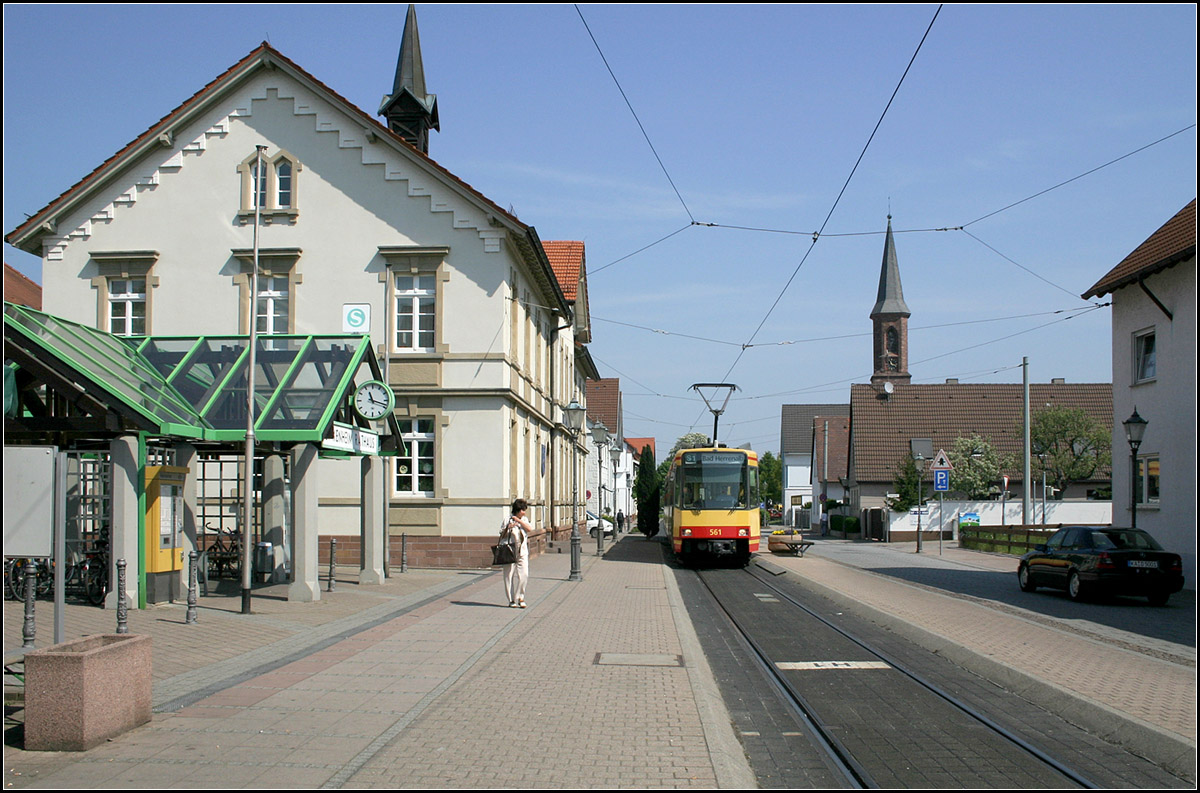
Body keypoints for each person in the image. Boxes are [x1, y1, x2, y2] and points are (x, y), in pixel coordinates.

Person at [503, 498, 532, 608]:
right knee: (508, 576)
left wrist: (519, 521)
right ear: (518, 510)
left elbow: (529, 529)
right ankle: (511, 600)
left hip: (522, 552)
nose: (524, 512)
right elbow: (501, 534)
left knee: (524, 574)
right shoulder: (507, 519)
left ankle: (520, 596)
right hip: (509, 551)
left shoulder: (524, 519)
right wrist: (508, 527)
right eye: (523, 510)